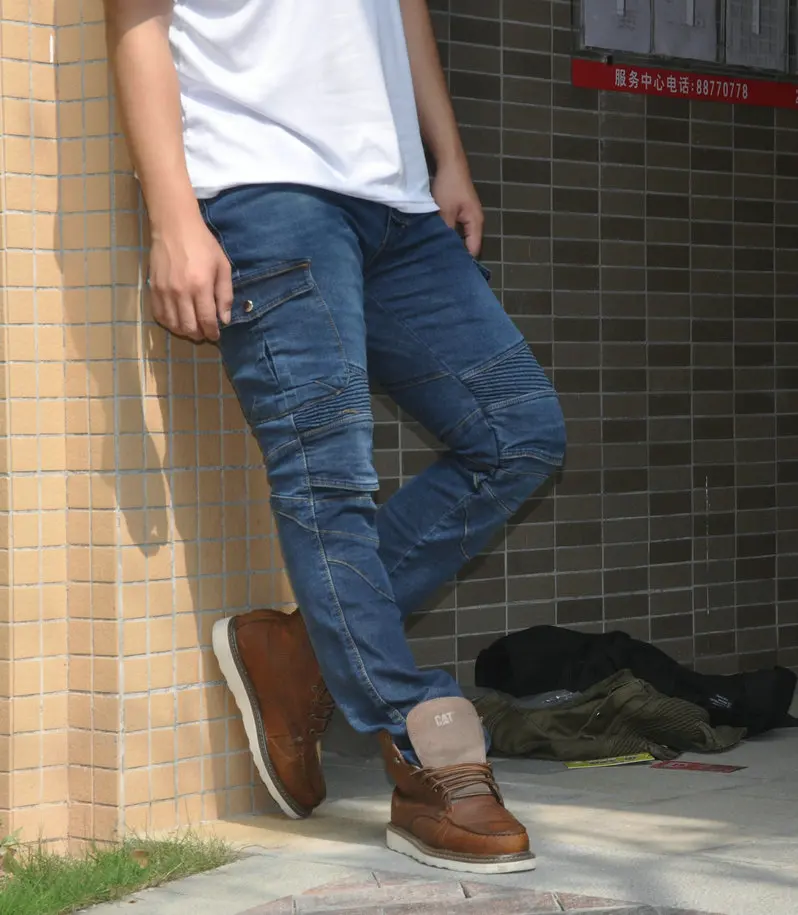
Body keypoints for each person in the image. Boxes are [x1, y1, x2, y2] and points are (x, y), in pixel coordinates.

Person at [104, 0, 566, 874]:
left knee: (520, 433)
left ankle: (299, 650)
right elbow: (135, 17)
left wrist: (447, 157)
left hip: (397, 203)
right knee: (330, 478)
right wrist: (173, 216)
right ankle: (420, 746)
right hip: (264, 188)